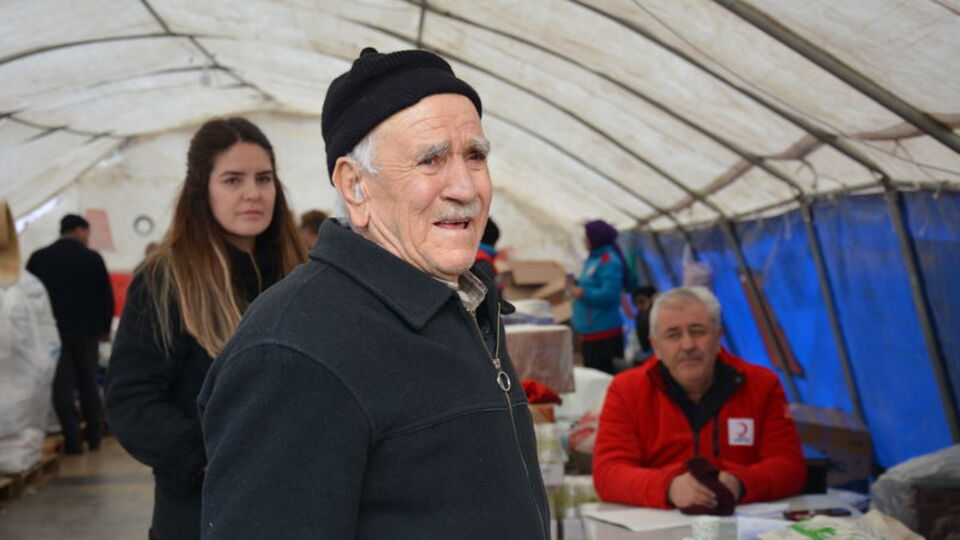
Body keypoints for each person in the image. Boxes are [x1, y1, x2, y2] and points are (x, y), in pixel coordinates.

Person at [198, 48, 550, 540]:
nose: (466, 187)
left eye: (475, 155)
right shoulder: (295, 351)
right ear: (356, 186)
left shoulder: (463, 305)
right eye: (431, 159)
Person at [104, 117, 306, 540]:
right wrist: (199, 455)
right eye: (233, 180)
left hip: (293, 506)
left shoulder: (301, 277)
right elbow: (131, 397)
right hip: (202, 514)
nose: (253, 192)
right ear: (202, 189)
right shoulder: (167, 278)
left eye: (263, 178)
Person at [593, 287, 805, 511]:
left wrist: (740, 482)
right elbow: (609, 473)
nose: (687, 345)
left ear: (718, 337)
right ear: (655, 345)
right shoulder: (626, 390)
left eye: (697, 331)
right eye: (673, 335)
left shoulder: (762, 385)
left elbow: (789, 467)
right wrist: (670, 487)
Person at [26, 213, 114, 455]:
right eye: (87, 233)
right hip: (87, 332)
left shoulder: (39, 258)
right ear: (78, 230)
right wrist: (105, 328)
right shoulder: (92, 258)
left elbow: (30, 297)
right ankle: (94, 439)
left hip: (53, 332)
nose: (88, 238)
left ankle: (73, 442)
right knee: (88, 382)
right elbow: (105, 295)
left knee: (62, 385)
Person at [571, 219, 630, 375]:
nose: (584, 240)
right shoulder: (593, 259)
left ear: (595, 238)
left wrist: (583, 293)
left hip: (604, 332)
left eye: (587, 236)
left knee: (606, 377)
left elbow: (610, 295)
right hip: (591, 330)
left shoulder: (609, 261)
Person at [633, 285, 657, 362]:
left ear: (652, 299)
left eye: (642, 302)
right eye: (636, 304)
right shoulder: (640, 317)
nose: (639, 307)